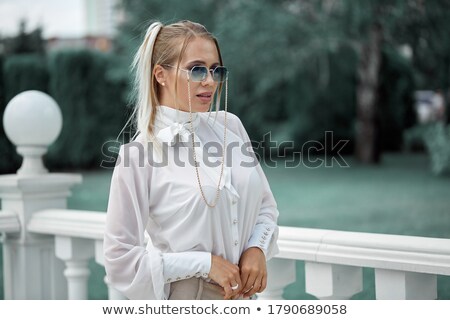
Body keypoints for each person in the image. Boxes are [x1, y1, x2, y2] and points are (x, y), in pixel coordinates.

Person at [103, 20, 279, 300]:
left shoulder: (230, 127)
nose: (210, 80)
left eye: (215, 70)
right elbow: (120, 262)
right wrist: (205, 264)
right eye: (197, 69)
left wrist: (256, 248)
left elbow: (265, 207)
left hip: (245, 301)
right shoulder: (137, 156)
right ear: (160, 74)